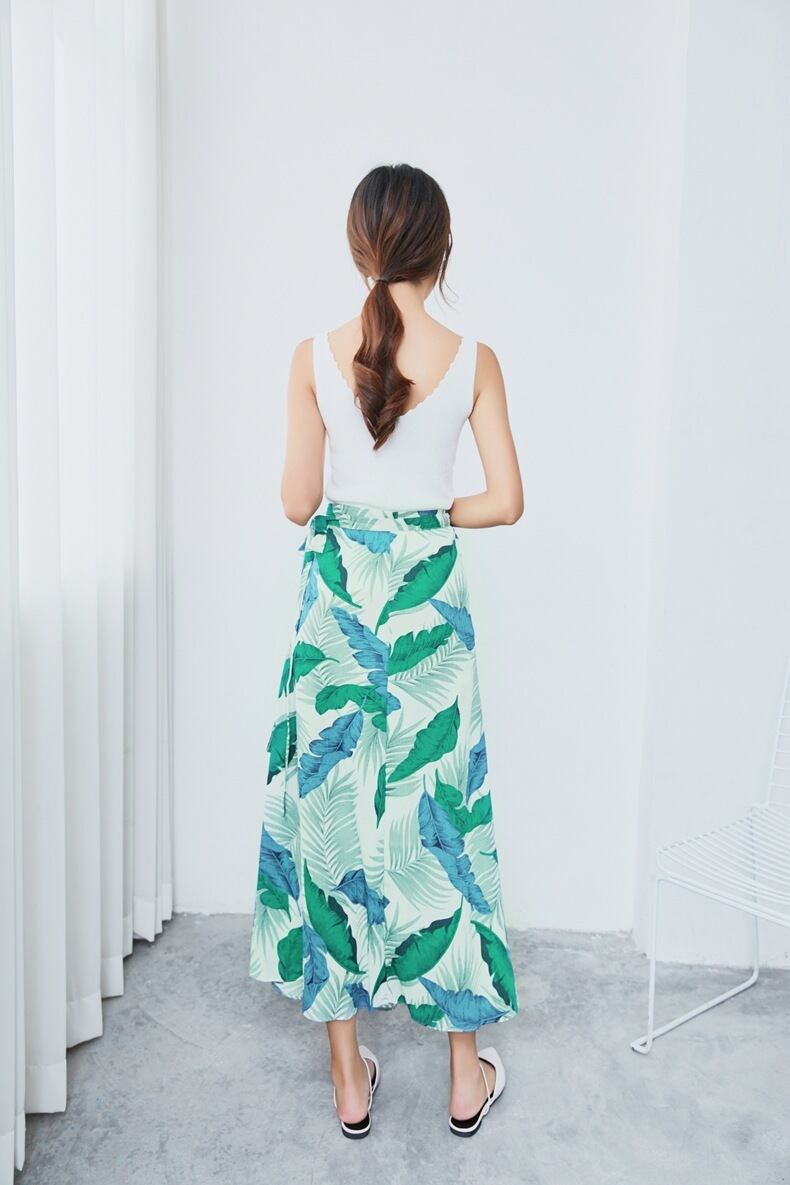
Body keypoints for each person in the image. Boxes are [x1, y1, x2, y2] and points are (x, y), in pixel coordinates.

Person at [249, 163, 524, 1139]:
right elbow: (505, 500)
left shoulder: (311, 356)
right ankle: (463, 1077)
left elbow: (297, 501)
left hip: (334, 605)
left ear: (358, 247)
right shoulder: (475, 358)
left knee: (330, 818)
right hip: (426, 610)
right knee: (438, 816)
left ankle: (350, 1082)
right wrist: (428, 512)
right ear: (441, 249)